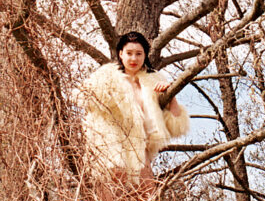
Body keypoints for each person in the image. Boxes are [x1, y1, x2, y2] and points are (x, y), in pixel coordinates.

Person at [77, 31, 190, 184]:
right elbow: (83, 98)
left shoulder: (154, 80)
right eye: (129, 53)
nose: (133, 58)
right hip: (110, 152)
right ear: (121, 54)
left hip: (140, 153)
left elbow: (177, 126)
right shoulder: (105, 78)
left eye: (138, 54)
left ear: (145, 56)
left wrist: (170, 95)